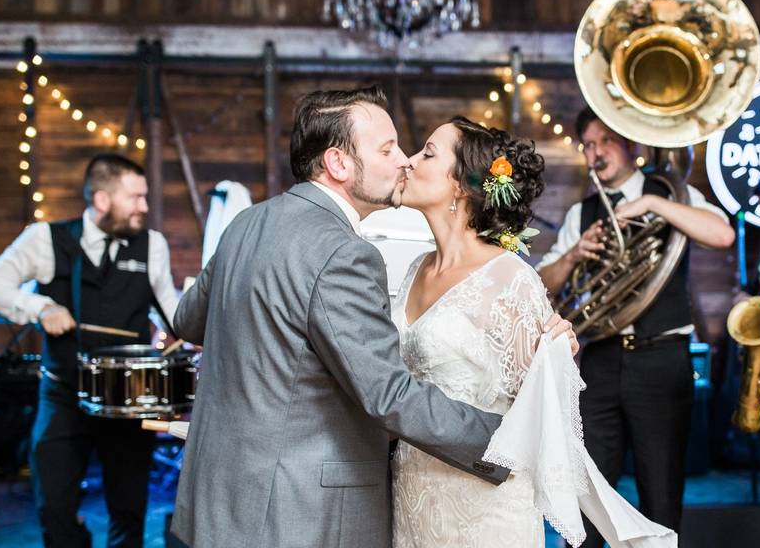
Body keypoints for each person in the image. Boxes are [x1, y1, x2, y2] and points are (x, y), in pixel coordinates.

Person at [169, 86, 574, 548]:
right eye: (388, 148)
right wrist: (505, 444)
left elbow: (189, 320)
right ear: (339, 163)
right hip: (296, 510)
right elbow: (386, 393)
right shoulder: (346, 253)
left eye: (415, 150)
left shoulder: (246, 224)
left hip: (217, 502)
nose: (403, 160)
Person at [392, 116, 676, 547]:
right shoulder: (414, 270)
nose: (408, 162)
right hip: (411, 491)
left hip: (482, 505)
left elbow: (545, 409)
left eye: (427, 153)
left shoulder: (509, 277)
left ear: (461, 186)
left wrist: (556, 359)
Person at [536, 107, 735, 545]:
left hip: (662, 358)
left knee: (661, 490)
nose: (596, 153)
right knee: (587, 491)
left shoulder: (670, 191)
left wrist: (651, 204)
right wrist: (574, 255)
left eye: (605, 140)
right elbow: (543, 283)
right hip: (602, 359)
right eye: (588, 145)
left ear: (630, 144)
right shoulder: (582, 212)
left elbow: (722, 235)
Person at [0, 154, 180, 547]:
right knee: (53, 508)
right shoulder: (44, 239)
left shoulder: (152, 244)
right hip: (63, 394)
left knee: (129, 512)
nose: (145, 206)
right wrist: (42, 308)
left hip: (128, 400)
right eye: (136, 197)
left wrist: (193, 327)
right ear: (102, 199)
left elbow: (170, 310)